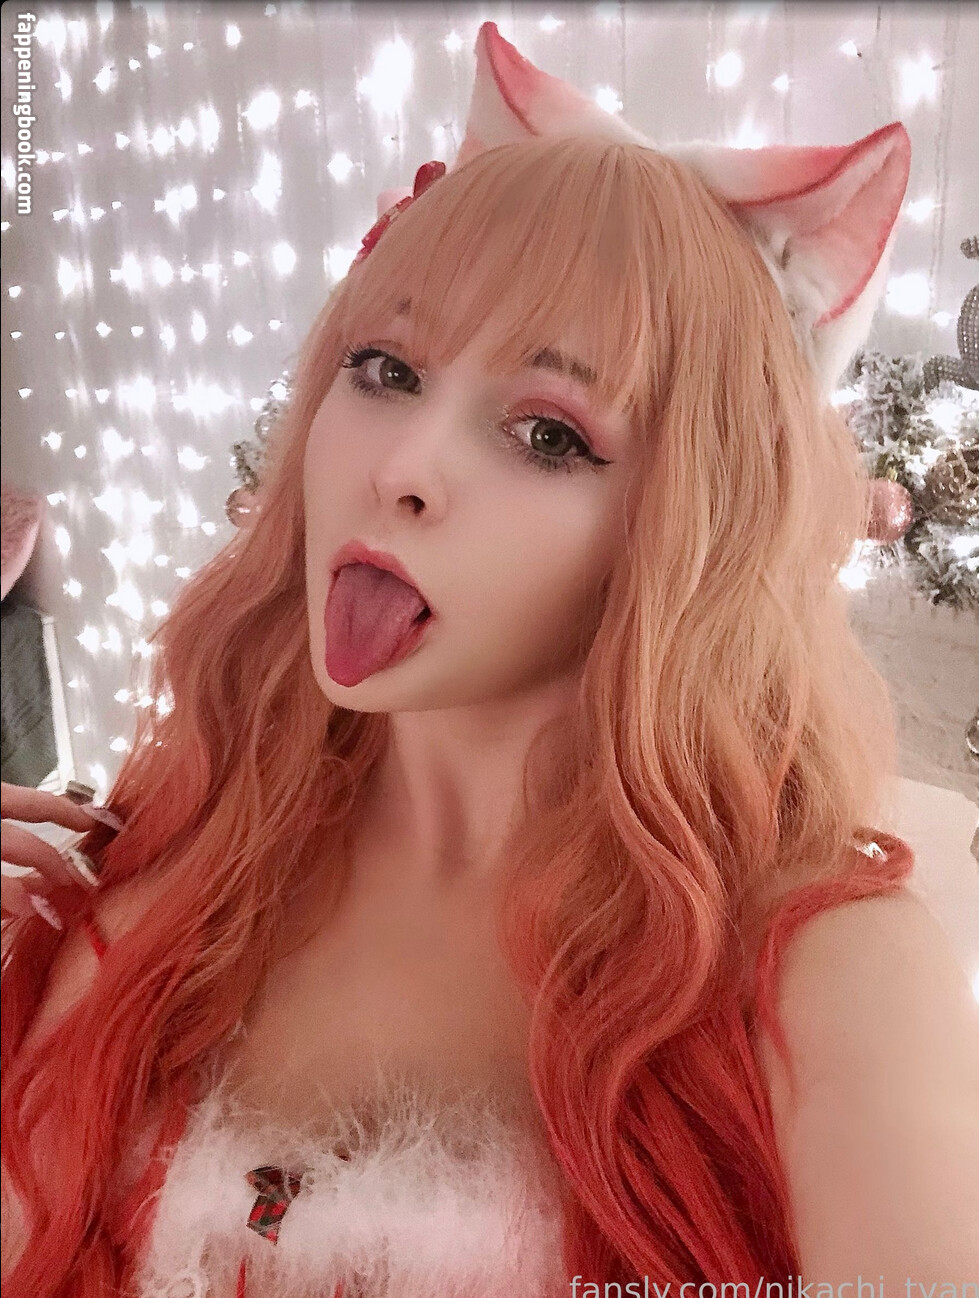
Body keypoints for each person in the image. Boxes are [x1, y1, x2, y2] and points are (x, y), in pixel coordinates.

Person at [3, 19, 978, 1297]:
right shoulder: (172, 853)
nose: (401, 467)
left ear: (687, 521)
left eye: (548, 434)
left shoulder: (825, 977)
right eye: (385, 367)